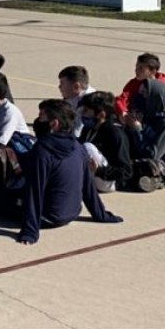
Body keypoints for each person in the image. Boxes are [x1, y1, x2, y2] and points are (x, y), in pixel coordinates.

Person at [17, 99, 123, 245]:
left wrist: (30, 231)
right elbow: (88, 186)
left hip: (47, 217)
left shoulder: (43, 151)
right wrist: (100, 214)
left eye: (41, 116)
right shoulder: (78, 147)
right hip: (73, 212)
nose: (38, 120)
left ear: (54, 124)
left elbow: (35, 189)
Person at [78, 91, 133, 193]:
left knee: (87, 147)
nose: (82, 114)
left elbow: (126, 171)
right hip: (91, 174)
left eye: (86, 111)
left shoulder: (115, 133)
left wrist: (99, 171)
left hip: (109, 180)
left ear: (101, 115)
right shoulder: (88, 129)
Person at [115, 53, 165, 120]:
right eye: (136, 67)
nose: (136, 70)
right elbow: (121, 99)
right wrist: (122, 112)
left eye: (141, 68)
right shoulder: (134, 83)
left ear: (152, 71)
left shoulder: (161, 86)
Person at [57, 65, 96, 136]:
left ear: (76, 87)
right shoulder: (72, 97)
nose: (59, 87)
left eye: (62, 83)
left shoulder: (90, 104)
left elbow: (77, 133)